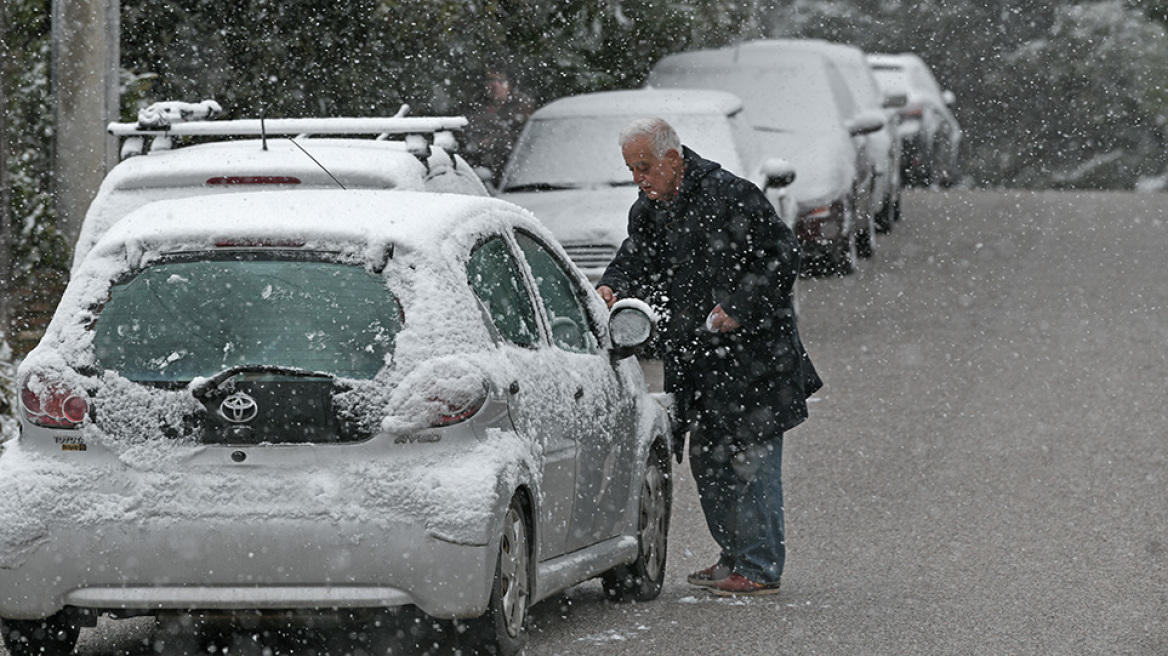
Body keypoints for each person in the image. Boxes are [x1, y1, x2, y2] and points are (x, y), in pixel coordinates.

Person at [597, 118, 822, 596]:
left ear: (673, 160)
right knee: (709, 460)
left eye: (645, 167)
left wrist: (739, 307)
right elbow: (636, 257)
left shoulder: (730, 195)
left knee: (750, 462)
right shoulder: (651, 209)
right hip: (700, 362)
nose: (639, 178)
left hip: (753, 360)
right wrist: (612, 284)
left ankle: (760, 566)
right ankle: (734, 555)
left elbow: (782, 255)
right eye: (632, 169)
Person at [462, 64, 536, 187]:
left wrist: (496, 139)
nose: (495, 85)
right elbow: (465, 139)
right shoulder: (473, 108)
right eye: (491, 80)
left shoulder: (523, 108)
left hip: (515, 177)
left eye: (501, 80)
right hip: (480, 175)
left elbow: (527, 140)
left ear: (509, 84)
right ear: (484, 84)